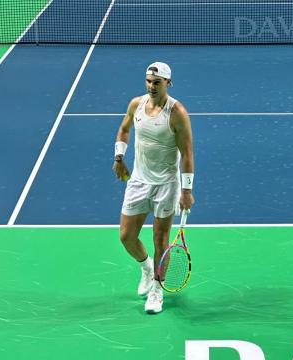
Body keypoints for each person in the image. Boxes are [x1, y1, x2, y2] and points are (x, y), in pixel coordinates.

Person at [112, 62, 195, 314]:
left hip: (165, 185)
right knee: (126, 236)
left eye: (156, 82)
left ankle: (158, 290)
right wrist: (119, 158)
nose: (151, 86)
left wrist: (187, 190)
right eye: (148, 81)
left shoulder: (176, 112)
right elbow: (124, 129)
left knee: (161, 241)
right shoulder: (135, 104)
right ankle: (147, 267)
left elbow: (187, 153)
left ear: (168, 83)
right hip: (138, 180)